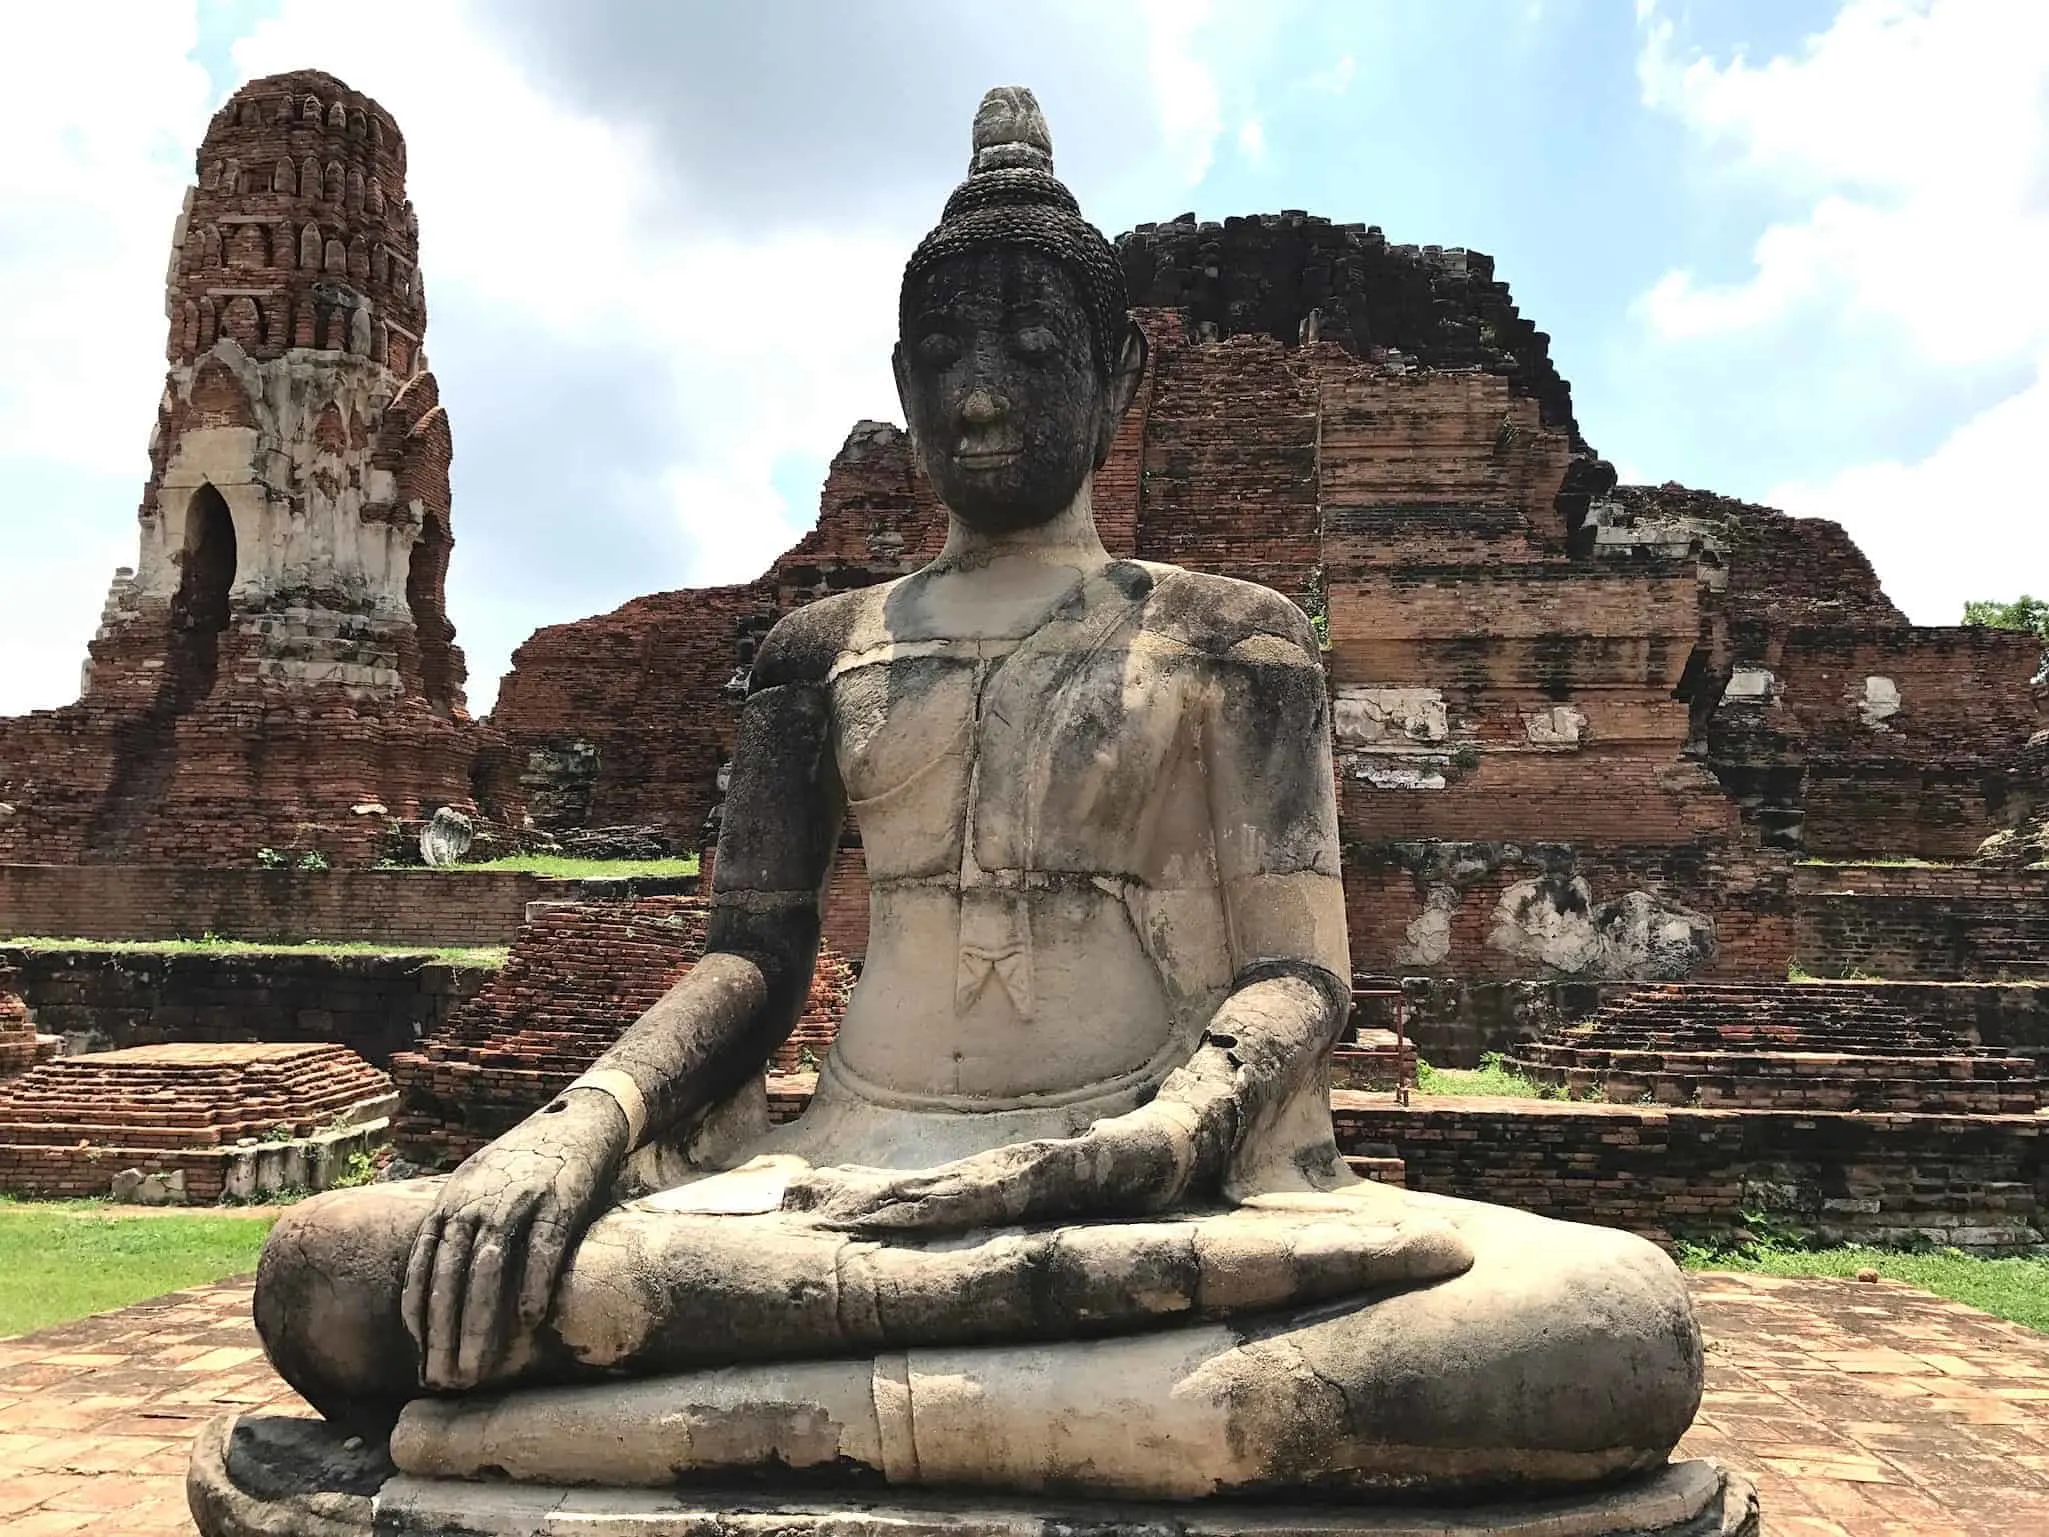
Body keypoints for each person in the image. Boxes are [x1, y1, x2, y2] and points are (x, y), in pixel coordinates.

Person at [253, 86, 1702, 1502]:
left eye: (1030, 342)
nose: (984, 390)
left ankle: (637, 1427)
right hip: (840, 1188)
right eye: (943, 351)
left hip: (1150, 1180)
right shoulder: (818, 652)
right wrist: (575, 1126)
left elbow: (1294, 973)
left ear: (1121, 377)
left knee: (1607, 1325)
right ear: (900, 385)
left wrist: (1171, 1135)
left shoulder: (1230, 633)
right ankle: (1076, 1418)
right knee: (336, 1280)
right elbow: (751, 964)